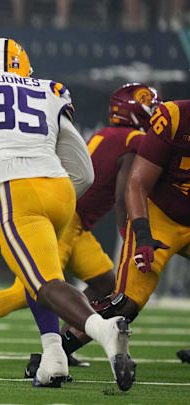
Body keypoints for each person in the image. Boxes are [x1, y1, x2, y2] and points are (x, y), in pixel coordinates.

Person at [0, 38, 135, 390]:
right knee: (40, 280)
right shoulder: (50, 90)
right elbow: (84, 173)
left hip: (13, 190)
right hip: (60, 189)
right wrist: (59, 199)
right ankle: (53, 360)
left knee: (45, 284)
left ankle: (103, 329)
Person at [63, 97, 190, 369]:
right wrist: (141, 235)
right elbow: (135, 184)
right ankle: (57, 351)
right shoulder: (173, 117)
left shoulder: (108, 133)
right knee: (125, 304)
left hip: (74, 219)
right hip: (160, 217)